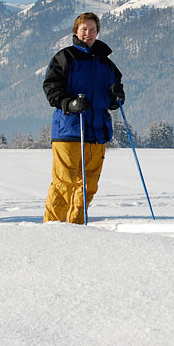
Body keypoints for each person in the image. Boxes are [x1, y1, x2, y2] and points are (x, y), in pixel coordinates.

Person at [42, 12, 125, 224]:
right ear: (76, 31)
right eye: (84, 29)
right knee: (64, 183)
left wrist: (116, 97)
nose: (88, 33)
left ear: (98, 32)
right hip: (69, 130)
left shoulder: (107, 64)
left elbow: (113, 92)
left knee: (88, 185)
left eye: (92, 29)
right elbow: (52, 88)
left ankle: (76, 228)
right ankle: (51, 228)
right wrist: (68, 103)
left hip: (97, 132)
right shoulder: (65, 57)